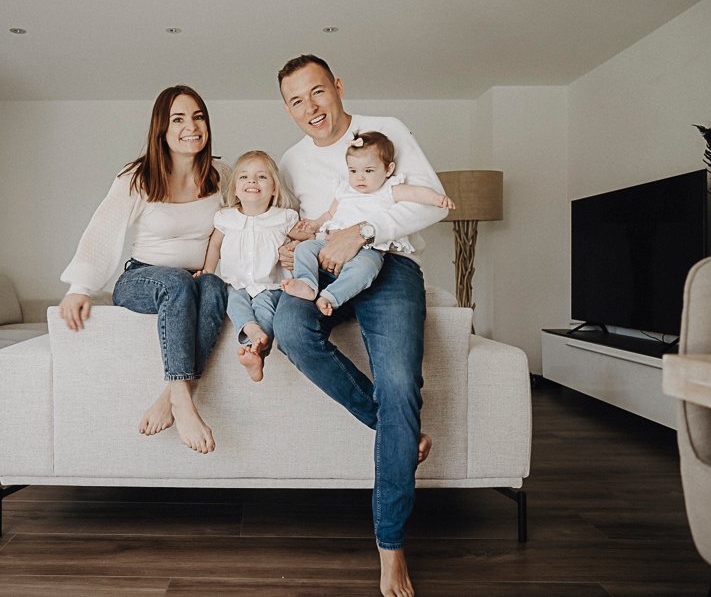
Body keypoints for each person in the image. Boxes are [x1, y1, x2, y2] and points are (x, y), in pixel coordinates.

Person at [272, 55, 448, 597]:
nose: (310, 107)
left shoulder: (385, 130)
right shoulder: (292, 160)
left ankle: (391, 547)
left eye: (317, 91)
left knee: (399, 384)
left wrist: (365, 230)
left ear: (338, 87)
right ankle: (397, 430)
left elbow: (431, 203)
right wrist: (290, 248)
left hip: (390, 265)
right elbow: (298, 225)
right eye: (296, 100)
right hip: (327, 268)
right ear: (288, 109)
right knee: (291, 330)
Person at [59, 85, 227, 455]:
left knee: (215, 288)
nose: (191, 126)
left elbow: (246, 220)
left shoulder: (221, 175)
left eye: (198, 117)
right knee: (178, 282)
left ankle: (170, 397)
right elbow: (103, 229)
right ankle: (184, 401)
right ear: (161, 129)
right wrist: (80, 287)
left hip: (198, 279)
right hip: (143, 278)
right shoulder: (138, 176)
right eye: (178, 119)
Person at [282, 130, 455, 317]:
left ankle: (331, 297)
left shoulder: (388, 190)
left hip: (366, 250)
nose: (360, 177)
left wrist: (436, 198)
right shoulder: (345, 190)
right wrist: (315, 224)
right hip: (330, 244)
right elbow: (330, 214)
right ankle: (307, 283)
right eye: (353, 171)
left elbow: (415, 193)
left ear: (388, 169)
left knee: (366, 269)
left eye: (368, 171)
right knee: (304, 249)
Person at [197, 150, 309, 382]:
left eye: (262, 177)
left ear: (274, 189)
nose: (252, 181)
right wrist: (208, 271)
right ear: (235, 189)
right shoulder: (226, 218)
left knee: (265, 309)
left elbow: (307, 239)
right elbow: (215, 245)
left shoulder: (283, 218)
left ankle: (256, 351)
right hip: (235, 283)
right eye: (244, 177)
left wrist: (297, 245)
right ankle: (251, 330)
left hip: (270, 285)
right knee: (232, 301)